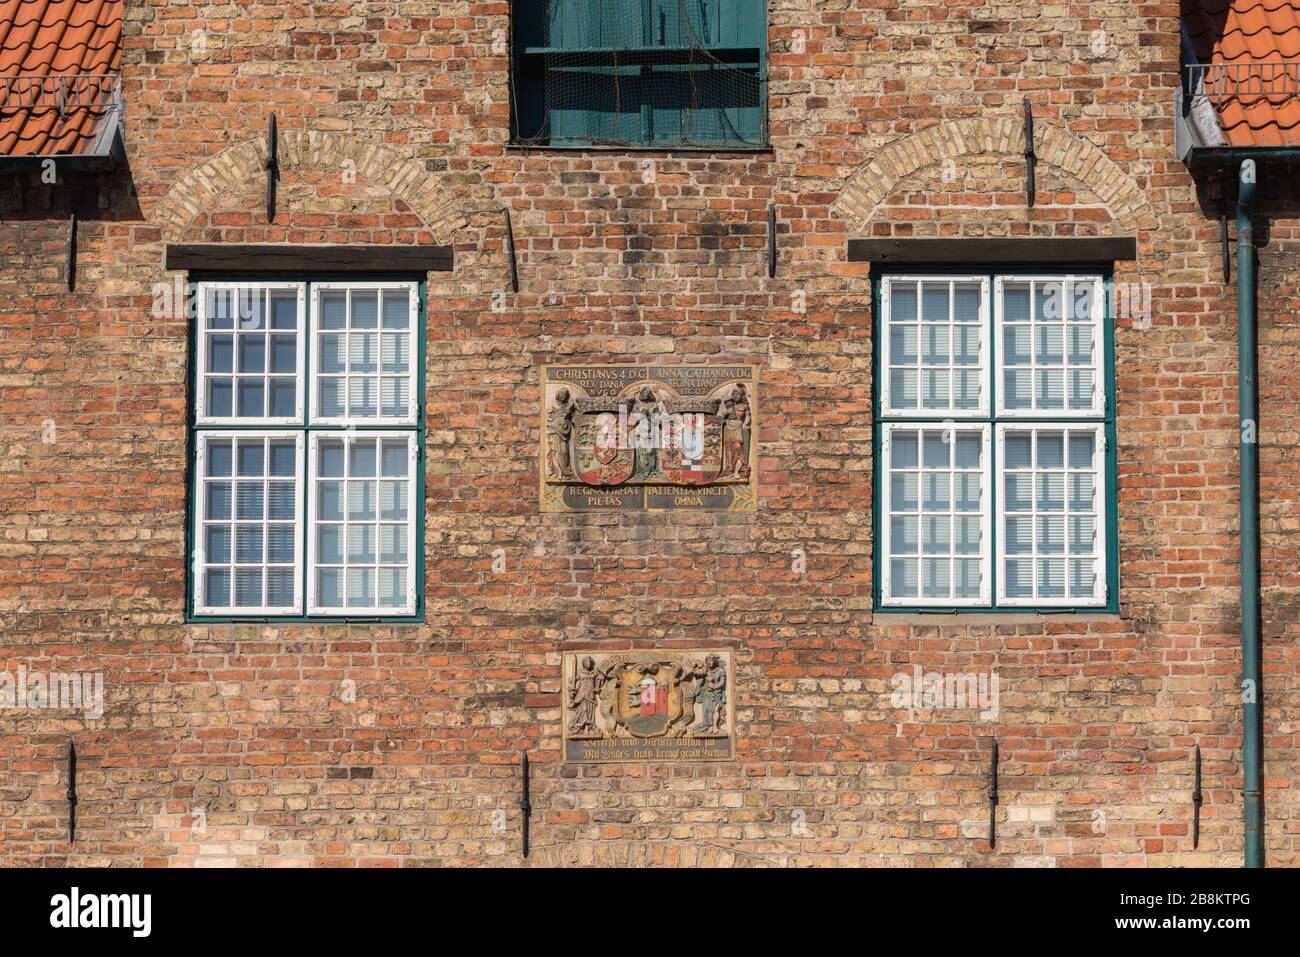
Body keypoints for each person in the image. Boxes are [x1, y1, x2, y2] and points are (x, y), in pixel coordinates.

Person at [547, 387, 577, 480]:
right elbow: (559, 411)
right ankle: (560, 472)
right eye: (562, 395)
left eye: (565, 396)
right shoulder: (555, 405)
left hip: (565, 431)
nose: (564, 397)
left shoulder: (569, 405)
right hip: (555, 430)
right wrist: (568, 408)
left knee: (564, 451)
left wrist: (572, 408)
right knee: (557, 451)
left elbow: (573, 416)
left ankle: (566, 471)